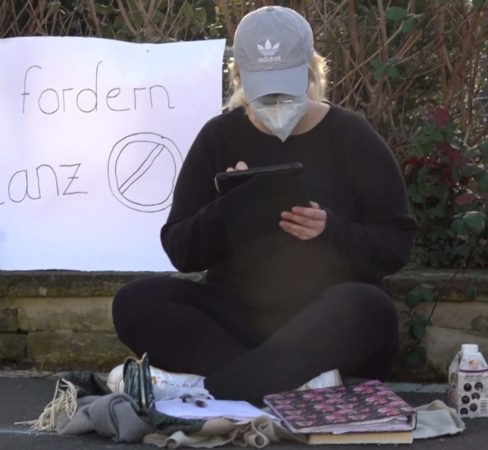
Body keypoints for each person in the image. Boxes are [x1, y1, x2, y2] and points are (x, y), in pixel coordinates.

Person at [110, 5, 417, 405]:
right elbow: (181, 250)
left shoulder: (350, 134)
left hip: (322, 325)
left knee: (371, 308)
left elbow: (397, 243)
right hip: (237, 320)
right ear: (238, 76)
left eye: (285, 85)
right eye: (264, 87)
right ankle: (287, 386)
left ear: (311, 72)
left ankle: (222, 389)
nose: (275, 101)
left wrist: (332, 230)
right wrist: (232, 205)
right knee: (134, 302)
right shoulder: (218, 136)